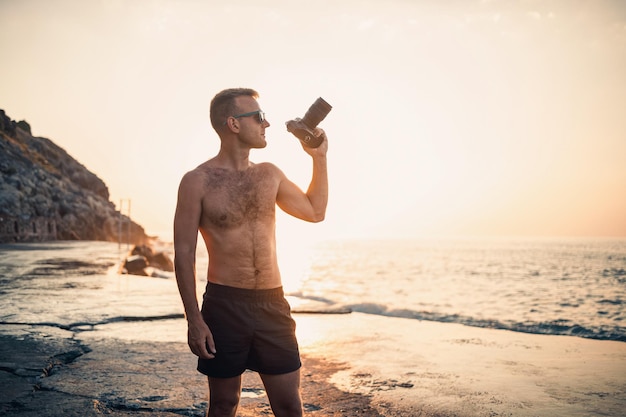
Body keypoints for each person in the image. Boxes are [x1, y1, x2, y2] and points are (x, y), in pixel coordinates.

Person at [173, 88, 329, 417]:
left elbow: (315, 211)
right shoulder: (197, 182)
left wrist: (318, 158)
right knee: (224, 404)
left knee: (289, 405)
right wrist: (194, 320)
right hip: (225, 305)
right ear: (233, 123)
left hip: (273, 304)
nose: (267, 123)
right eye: (258, 117)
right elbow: (184, 253)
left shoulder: (269, 174)